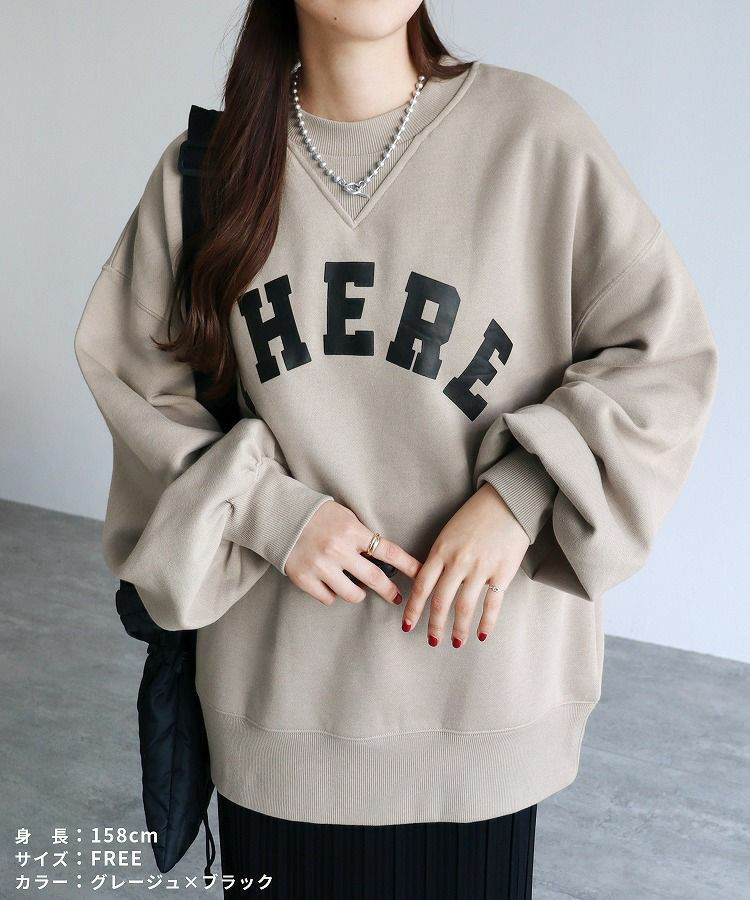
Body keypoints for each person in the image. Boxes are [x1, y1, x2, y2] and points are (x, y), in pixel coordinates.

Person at [72, 1, 719, 897]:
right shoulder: (209, 172)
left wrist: (521, 491)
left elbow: (662, 357)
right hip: (284, 712)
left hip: (482, 706)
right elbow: (138, 384)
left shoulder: (536, 138)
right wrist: (269, 511)